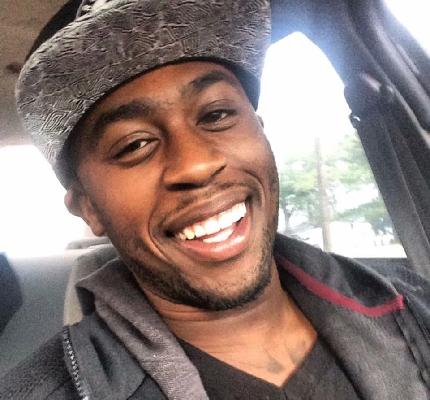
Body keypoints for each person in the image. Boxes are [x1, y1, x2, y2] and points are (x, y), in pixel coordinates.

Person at [1, 0, 430, 399]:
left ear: (261, 132)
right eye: (134, 144)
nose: (197, 164)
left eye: (216, 114)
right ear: (89, 208)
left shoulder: (416, 308)